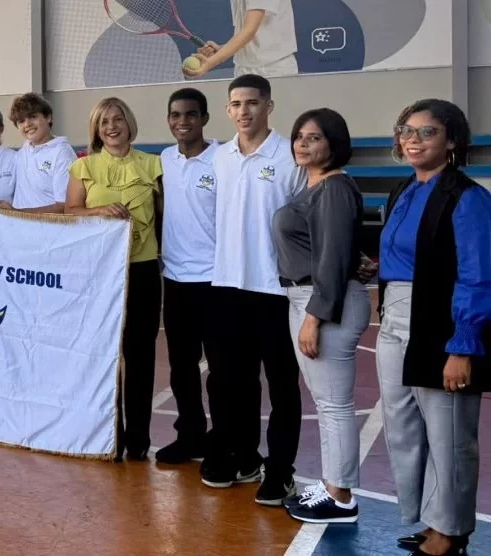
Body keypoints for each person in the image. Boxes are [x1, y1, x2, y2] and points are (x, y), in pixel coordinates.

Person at [377, 99, 489, 556]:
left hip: (438, 323)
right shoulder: (403, 188)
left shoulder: (469, 197)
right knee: (403, 427)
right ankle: (429, 518)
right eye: (407, 130)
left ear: (452, 142)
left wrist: (462, 346)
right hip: (394, 318)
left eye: (427, 132)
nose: (413, 139)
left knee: (449, 434)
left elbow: (478, 274)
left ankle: (452, 531)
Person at [202, 74, 301, 506]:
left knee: (281, 386)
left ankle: (281, 471)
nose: (244, 111)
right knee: (229, 382)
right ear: (228, 110)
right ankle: (242, 457)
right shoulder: (219, 158)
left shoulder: (290, 157)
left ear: (269, 106)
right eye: (236, 104)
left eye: (253, 103)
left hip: (274, 289)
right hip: (226, 285)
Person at [273, 108, 368, 524]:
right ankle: (333, 484)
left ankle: (341, 497)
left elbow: (330, 260)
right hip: (309, 297)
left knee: (333, 404)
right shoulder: (311, 186)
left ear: (334, 143)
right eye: (299, 136)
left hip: (323, 300)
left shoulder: (333, 187)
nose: (303, 144)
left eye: (314, 137)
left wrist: (314, 316)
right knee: (327, 401)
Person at [59, 98, 162, 462]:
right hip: (100, 273)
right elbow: (71, 213)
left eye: (118, 119)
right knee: (103, 355)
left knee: (140, 355)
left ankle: (138, 438)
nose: (112, 127)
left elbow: (166, 219)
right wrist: (98, 210)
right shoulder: (82, 168)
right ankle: (108, 435)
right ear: (96, 130)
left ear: (129, 122)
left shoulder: (154, 165)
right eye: (104, 123)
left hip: (144, 268)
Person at [155, 88, 224, 465]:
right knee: (181, 368)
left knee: (220, 368)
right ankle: (190, 435)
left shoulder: (223, 159)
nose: (183, 121)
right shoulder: (164, 160)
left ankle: (222, 438)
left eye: (191, 115)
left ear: (205, 118)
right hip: (176, 279)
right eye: (176, 115)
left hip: (215, 279)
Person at [0, 93, 77, 212]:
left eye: (32, 117)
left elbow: (63, 207)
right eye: (21, 121)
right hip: (19, 227)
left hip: (50, 229)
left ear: (48, 117)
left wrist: (17, 212)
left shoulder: (62, 154)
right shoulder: (24, 150)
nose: (27, 124)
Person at [184, 0, 298, 79]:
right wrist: (222, 49)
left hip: (273, 70)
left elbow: (249, 31)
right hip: (243, 70)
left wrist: (210, 63)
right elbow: (246, 33)